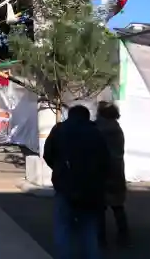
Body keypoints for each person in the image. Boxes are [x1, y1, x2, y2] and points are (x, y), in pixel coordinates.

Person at [44, 105, 110, 259]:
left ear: (70, 115)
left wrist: (59, 169)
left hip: (65, 187)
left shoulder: (59, 130)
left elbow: (48, 154)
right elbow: (106, 161)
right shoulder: (96, 132)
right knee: (89, 230)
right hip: (91, 189)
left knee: (63, 229)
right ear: (87, 116)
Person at [95, 101, 130, 247]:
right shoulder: (117, 128)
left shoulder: (99, 128)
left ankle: (100, 239)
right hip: (117, 172)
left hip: (101, 172)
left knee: (99, 209)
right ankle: (124, 237)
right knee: (118, 207)